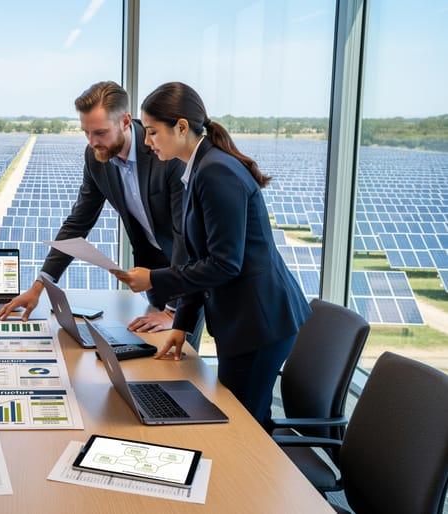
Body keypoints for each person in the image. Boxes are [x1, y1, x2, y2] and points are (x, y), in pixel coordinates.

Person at [111, 82, 311, 426]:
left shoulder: (216, 171)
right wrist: (182, 324)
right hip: (245, 319)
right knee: (236, 416)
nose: (147, 142)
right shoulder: (199, 168)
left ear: (182, 128)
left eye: (154, 132)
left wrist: (153, 278)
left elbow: (224, 264)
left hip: (258, 322)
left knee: (241, 425)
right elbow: (195, 256)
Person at [0, 81, 203, 348]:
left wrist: (173, 311)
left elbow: (183, 237)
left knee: (180, 367)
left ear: (126, 121)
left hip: (189, 278)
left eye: (101, 133)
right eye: (86, 133)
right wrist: (39, 287)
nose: (93, 142)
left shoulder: (165, 151)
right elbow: (77, 223)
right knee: (150, 364)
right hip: (155, 274)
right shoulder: (96, 157)